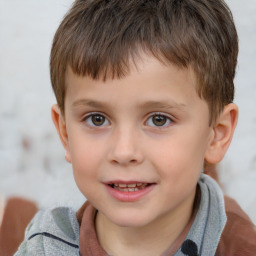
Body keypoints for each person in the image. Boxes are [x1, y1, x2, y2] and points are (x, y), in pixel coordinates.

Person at [15, 0, 256, 255]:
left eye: (159, 120)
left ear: (217, 135)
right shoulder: (42, 247)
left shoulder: (240, 248)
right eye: (97, 119)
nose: (123, 151)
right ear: (65, 133)